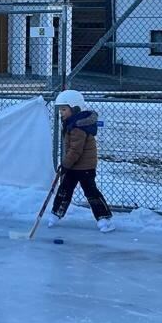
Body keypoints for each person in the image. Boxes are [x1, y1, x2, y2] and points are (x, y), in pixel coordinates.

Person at [48, 90, 112, 231]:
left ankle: (103, 218)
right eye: (60, 110)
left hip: (85, 166)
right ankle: (56, 214)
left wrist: (65, 164)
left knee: (90, 192)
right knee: (65, 189)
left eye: (64, 109)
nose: (61, 113)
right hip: (74, 165)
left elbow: (76, 150)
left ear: (75, 108)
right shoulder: (72, 123)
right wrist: (67, 164)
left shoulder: (78, 127)